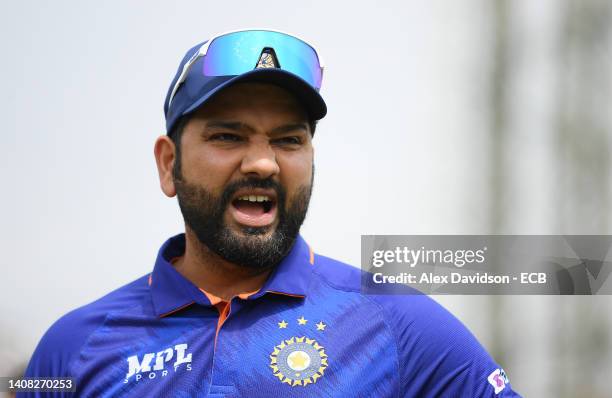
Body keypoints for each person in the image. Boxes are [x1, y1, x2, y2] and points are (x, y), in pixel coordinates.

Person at [20, 29, 520, 397]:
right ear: (169, 165)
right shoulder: (72, 348)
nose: (262, 162)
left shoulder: (400, 325)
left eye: (288, 140)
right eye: (228, 136)